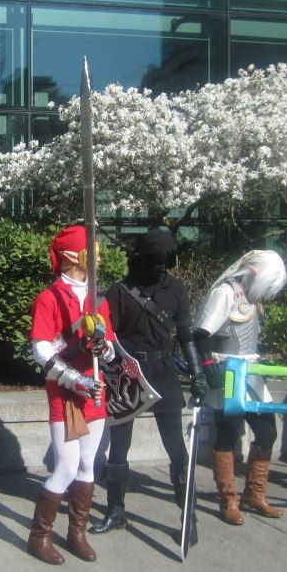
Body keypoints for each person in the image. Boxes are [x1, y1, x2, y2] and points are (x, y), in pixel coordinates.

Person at [91, 229, 207, 545]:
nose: (159, 267)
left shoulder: (176, 290)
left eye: (164, 261)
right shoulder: (119, 291)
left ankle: (189, 516)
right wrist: (97, 336)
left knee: (177, 451)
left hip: (165, 371)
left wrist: (197, 373)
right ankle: (116, 510)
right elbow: (103, 330)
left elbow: (185, 334)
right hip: (128, 374)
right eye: (153, 260)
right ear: (139, 260)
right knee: (119, 448)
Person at [26, 225, 117, 565]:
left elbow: (109, 350)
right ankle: (39, 537)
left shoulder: (99, 298)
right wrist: (75, 378)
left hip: (95, 388)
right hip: (66, 391)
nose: (95, 256)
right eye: (88, 250)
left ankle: (76, 532)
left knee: (87, 465)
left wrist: (102, 347)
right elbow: (41, 350)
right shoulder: (49, 297)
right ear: (71, 255)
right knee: (64, 467)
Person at [194, 250, 287, 526]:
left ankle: (254, 495)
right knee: (228, 434)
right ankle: (228, 499)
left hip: (253, 373)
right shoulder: (225, 292)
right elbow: (201, 333)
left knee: (267, 432)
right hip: (229, 374)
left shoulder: (252, 295)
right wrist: (208, 365)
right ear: (255, 273)